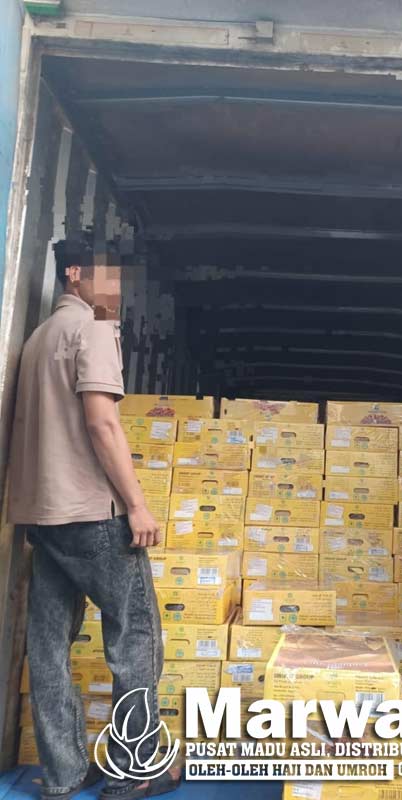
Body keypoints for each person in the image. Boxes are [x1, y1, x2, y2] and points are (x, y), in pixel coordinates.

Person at [7, 241, 181, 800]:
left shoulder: (38, 339)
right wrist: (137, 504)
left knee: (48, 646)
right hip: (92, 514)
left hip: (44, 517)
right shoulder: (95, 329)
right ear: (75, 273)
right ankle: (136, 769)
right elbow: (102, 423)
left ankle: (62, 775)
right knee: (135, 638)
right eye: (110, 277)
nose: (117, 290)